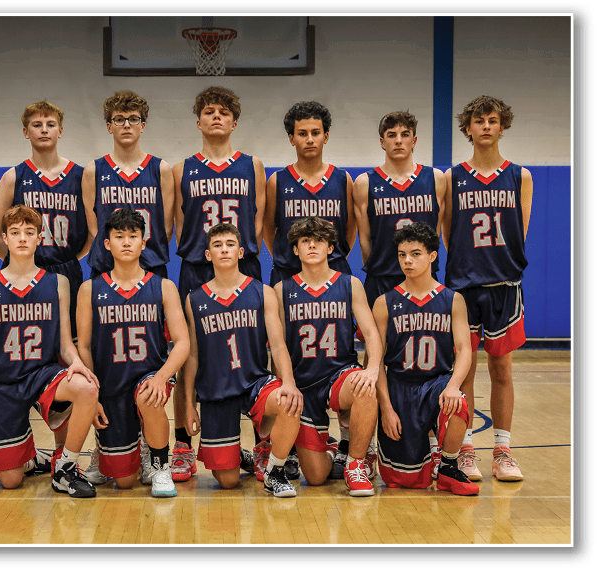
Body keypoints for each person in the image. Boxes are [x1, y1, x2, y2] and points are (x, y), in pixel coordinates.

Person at [0, 100, 88, 485]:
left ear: (61, 130)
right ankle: (6, 445)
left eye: (50, 124)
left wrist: (67, 260)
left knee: (64, 356)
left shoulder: (80, 175)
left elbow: (92, 232)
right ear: (26, 132)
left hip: (64, 273)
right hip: (24, 276)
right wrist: (21, 263)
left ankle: (61, 453)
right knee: (8, 355)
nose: (44, 130)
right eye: (37, 124)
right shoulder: (15, 176)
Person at [0, 205, 99, 498]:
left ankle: (64, 468)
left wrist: (77, 363)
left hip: (41, 374)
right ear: (4, 238)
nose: (22, 238)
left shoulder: (58, 283)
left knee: (87, 388)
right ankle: (30, 458)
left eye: (29, 232)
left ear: (40, 238)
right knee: (11, 481)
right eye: (15, 232)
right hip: (1, 383)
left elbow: (65, 343)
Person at [172, 86, 267, 482]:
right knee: (187, 356)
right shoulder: (181, 169)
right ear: (198, 122)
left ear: (234, 122)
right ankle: (182, 444)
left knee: (255, 353)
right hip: (197, 267)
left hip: (242, 268)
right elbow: (178, 222)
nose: (216, 117)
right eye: (209, 111)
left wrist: (235, 258)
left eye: (224, 112)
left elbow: (258, 220)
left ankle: (262, 445)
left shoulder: (253, 165)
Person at [443, 95, 533, 481]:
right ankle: (464, 450)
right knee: (464, 371)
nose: (485, 127)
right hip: (463, 286)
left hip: (504, 285)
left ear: (502, 126)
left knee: (502, 369)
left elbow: (519, 231)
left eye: (492, 120)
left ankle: (502, 451)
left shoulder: (520, 176)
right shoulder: (452, 178)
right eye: (479, 121)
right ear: (468, 128)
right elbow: (449, 232)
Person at [352, 110, 446, 473]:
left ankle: (435, 443)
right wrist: (382, 270)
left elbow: (438, 228)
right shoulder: (365, 183)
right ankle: (366, 446)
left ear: (414, 140)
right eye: (391, 134)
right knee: (375, 360)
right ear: (382, 141)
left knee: (429, 360)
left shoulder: (435, 178)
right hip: (382, 280)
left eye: (405, 134)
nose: (398, 140)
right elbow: (364, 238)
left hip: (424, 285)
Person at [182, 223, 303, 497]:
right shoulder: (195, 299)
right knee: (227, 482)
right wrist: (189, 404)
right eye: (217, 245)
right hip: (216, 389)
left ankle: (274, 471)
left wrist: (289, 382)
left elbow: (278, 345)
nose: (224, 249)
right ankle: (239, 455)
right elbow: (192, 355)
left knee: (289, 402)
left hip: (254, 381)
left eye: (229, 244)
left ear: (240, 252)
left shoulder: (262, 292)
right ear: (208, 255)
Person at [75, 209, 190, 497]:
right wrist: (93, 393)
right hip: (110, 382)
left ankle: (160, 466)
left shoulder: (163, 286)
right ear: (107, 243)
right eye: (119, 237)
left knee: (149, 396)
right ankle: (122, 449)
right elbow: (84, 346)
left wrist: (162, 377)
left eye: (133, 236)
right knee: (124, 481)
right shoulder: (89, 289)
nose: (126, 242)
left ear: (143, 242)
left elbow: (182, 342)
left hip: (149, 374)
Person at [275, 217, 382, 496]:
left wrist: (371, 370)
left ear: (330, 248)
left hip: (339, 374)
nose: (312, 246)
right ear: (296, 249)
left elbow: (371, 334)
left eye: (319, 241)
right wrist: (286, 383)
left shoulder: (350, 284)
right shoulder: (282, 290)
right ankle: (333, 449)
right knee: (316, 477)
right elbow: (277, 345)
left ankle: (356, 465)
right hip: (303, 384)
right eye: (305, 241)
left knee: (365, 387)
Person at [372, 222, 479, 496]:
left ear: (432, 256)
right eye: (402, 255)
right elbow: (375, 361)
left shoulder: (452, 300)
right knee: (404, 482)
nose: (407, 261)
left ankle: (448, 466)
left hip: (436, 383)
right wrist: (386, 408)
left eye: (415, 254)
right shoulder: (384, 303)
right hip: (399, 386)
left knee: (459, 401)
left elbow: (464, 350)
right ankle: (421, 457)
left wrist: (453, 386)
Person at [82, 91, 174, 279]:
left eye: (133, 119)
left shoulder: (161, 169)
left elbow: (165, 229)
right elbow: (94, 230)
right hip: (107, 267)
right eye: (119, 120)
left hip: (150, 266)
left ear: (142, 126)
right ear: (109, 127)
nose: (126, 125)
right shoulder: (93, 171)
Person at [263, 101, 355, 286]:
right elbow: (268, 228)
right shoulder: (277, 181)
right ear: (292, 139)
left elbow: (350, 229)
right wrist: (287, 258)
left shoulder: (342, 179)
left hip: (333, 270)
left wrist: (332, 256)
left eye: (316, 133)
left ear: (325, 136)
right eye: (302, 134)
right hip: (288, 272)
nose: (310, 139)